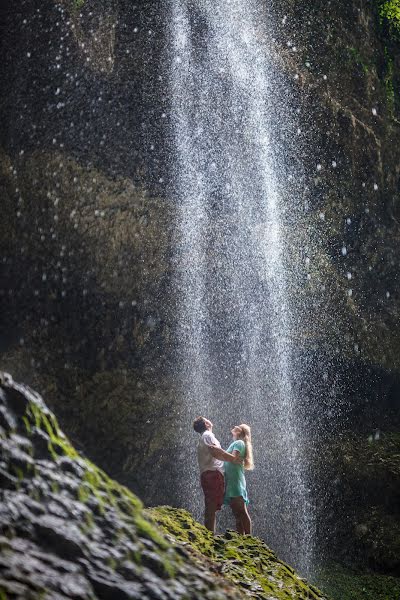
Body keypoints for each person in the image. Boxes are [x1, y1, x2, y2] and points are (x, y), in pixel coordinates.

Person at [193, 416, 242, 533]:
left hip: (209, 473)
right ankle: (208, 535)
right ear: (206, 423)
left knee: (212, 505)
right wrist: (232, 458)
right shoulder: (207, 435)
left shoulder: (205, 436)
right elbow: (214, 451)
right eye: (206, 419)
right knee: (211, 505)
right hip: (212, 474)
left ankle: (210, 534)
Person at [224, 424, 254, 535]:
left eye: (237, 426)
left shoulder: (239, 443)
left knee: (241, 511)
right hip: (234, 480)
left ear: (239, 431)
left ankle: (249, 538)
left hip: (235, 481)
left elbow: (232, 457)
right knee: (237, 513)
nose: (234, 426)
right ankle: (241, 539)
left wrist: (217, 452)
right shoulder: (239, 443)